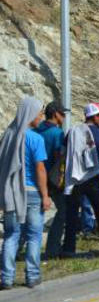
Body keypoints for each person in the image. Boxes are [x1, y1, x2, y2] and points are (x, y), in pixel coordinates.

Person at [0, 97, 49, 289]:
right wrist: (45, 195)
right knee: (34, 236)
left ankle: (6, 278)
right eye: (39, 113)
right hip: (32, 193)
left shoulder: (8, 136)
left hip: (11, 193)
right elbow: (40, 169)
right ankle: (32, 276)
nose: (41, 117)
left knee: (11, 235)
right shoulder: (36, 138)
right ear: (30, 114)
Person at [63, 104, 99, 258]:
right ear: (95, 117)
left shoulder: (73, 132)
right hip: (93, 179)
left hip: (74, 179)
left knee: (71, 215)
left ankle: (68, 249)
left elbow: (63, 153)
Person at [35, 101, 66, 259]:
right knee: (63, 211)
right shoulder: (57, 133)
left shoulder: (36, 130)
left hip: (35, 177)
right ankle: (53, 249)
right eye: (63, 114)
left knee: (33, 216)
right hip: (51, 179)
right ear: (56, 114)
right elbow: (58, 158)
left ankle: (15, 250)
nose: (65, 117)